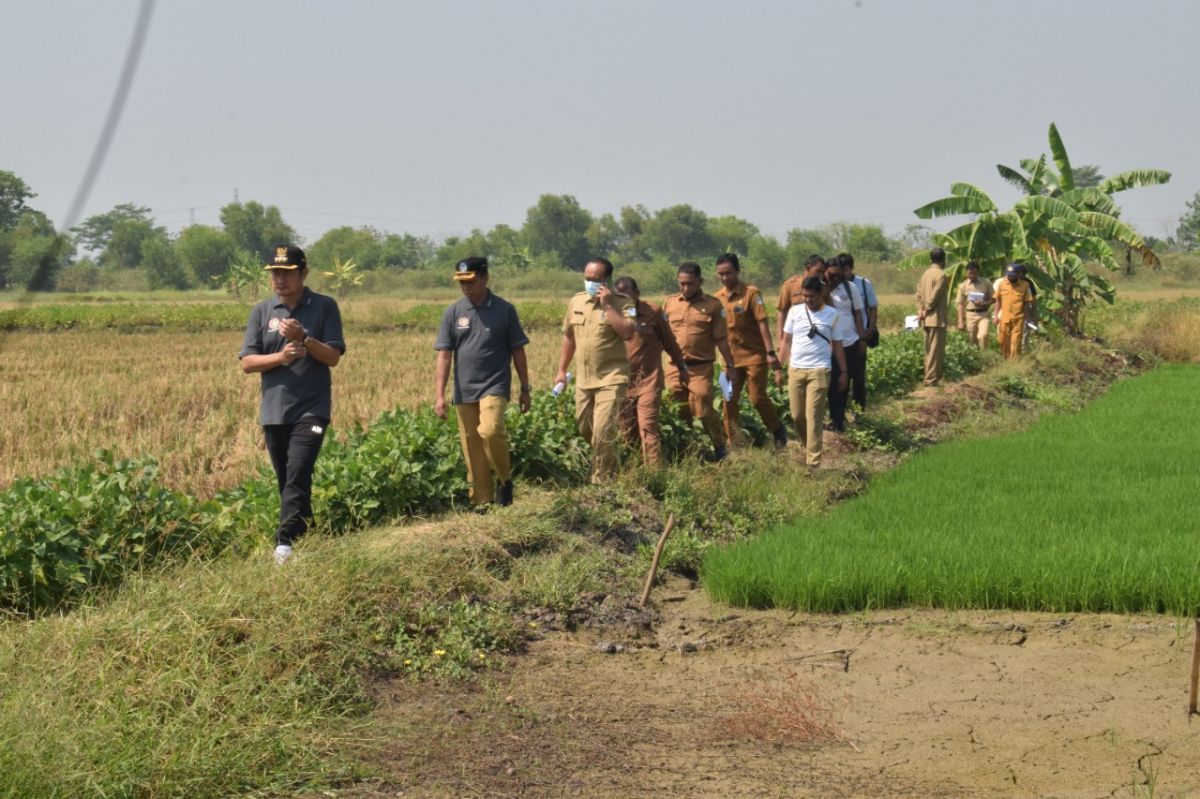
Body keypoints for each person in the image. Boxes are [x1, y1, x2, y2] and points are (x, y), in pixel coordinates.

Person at [239, 244, 346, 565]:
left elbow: (334, 357)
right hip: (274, 412)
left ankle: (283, 545)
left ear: (303, 273)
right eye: (274, 273)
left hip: (312, 409)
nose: (279, 279)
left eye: (286, 273)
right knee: (287, 480)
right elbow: (247, 362)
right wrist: (281, 356)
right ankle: (308, 536)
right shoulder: (262, 312)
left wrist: (304, 339)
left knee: (298, 472)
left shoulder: (325, 307)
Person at [433, 257, 531, 508]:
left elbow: (518, 350)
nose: (466, 287)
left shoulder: (504, 309)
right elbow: (444, 355)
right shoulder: (454, 312)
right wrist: (440, 395)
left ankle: (504, 480)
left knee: (490, 430)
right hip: (464, 389)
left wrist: (525, 388)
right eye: (461, 283)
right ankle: (481, 501)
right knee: (472, 445)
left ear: (485, 278)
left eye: (471, 281)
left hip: (495, 385)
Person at [554, 257, 636, 481]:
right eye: (587, 278)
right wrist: (562, 370)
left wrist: (608, 306)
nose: (590, 283)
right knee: (585, 428)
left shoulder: (623, 302)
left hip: (611, 376)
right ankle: (613, 463)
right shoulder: (576, 302)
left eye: (596, 279)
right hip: (584, 378)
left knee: (602, 430)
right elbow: (569, 336)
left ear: (606, 280)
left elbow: (628, 332)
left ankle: (601, 480)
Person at [663, 261, 737, 461]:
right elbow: (660, 335)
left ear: (700, 281)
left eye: (690, 283)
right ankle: (686, 449)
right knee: (678, 410)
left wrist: (730, 365)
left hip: (700, 367)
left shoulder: (713, 305)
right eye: (682, 284)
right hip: (674, 367)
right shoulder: (669, 303)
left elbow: (721, 339)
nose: (686, 288)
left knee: (703, 409)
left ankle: (719, 445)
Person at [714, 253, 787, 447]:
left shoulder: (751, 293)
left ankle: (777, 430)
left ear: (737, 271)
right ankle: (735, 442)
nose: (724, 277)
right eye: (720, 274)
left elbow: (762, 323)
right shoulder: (716, 299)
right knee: (727, 399)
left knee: (757, 397)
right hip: (728, 360)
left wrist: (770, 353)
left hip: (754, 356)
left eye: (728, 273)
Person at [614, 276, 688, 467]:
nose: (625, 299)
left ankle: (655, 474)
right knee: (627, 430)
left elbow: (669, 342)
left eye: (628, 294)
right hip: (623, 382)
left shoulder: (653, 312)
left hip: (649, 381)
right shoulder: (612, 315)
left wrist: (681, 367)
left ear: (637, 293)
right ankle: (634, 468)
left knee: (648, 428)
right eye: (620, 296)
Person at [777, 276, 848, 468]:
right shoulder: (794, 311)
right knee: (797, 416)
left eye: (812, 296)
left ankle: (813, 463)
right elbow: (786, 341)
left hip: (820, 370)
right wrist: (778, 367)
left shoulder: (832, 314)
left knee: (814, 416)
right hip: (796, 369)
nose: (808, 300)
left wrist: (843, 371)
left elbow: (838, 345)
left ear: (821, 294)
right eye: (804, 296)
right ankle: (808, 446)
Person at [824, 259, 865, 431]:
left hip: (850, 342)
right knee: (832, 384)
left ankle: (839, 420)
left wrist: (862, 339)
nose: (835, 279)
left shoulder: (850, 288)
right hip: (828, 346)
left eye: (838, 276)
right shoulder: (820, 289)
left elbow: (857, 314)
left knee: (844, 382)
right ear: (825, 273)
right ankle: (836, 419)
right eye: (831, 275)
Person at [839, 253, 877, 409]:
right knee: (842, 374)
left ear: (852, 268)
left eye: (846, 270)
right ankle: (842, 411)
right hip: (842, 339)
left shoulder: (863, 283)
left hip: (860, 337)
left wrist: (871, 328)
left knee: (859, 377)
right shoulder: (835, 286)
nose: (844, 274)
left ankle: (859, 411)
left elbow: (873, 307)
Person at [915, 247, 949, 387]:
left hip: (926, 318)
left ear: (930, 259)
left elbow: (917, 295)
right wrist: (926, 309)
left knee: (929, 349)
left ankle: (931, 377)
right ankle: (930, 380)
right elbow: (934, 296)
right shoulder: (941, 275)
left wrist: (920, 310)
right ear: (943, 260)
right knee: (935, 350)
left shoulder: (925, 274)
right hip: (936, 318)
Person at [776, 255, 827, 342]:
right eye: (818, 271)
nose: (821, 275)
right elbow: (782, 313)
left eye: (822, 272)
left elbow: (830, 310)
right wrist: (781, 341)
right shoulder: (790, 285)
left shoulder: (823, 288)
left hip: (817, 338)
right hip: (794, 338)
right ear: (808, 268)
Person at [994, 262, 1035, 359]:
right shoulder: (1001, 284)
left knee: (1015, 342)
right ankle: (1006, 360)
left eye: (1012, 275)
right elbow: (998, 301)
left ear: (1017, 274)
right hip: (1004, 318)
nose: (1010, 277)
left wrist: (1027, 318)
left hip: (1018, 319)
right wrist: (995, 316)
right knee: (1002, 341)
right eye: (1008, 274)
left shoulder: (1025, 286)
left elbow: (1026, 303)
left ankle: (1015, 363)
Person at [955, 260, 994, 349]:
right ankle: (977, 360)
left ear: (978, 272)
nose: (972, 275)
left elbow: (994, 299)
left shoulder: (986, 283)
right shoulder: (963, 286)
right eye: (970, 273)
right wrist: (960, 322)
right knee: (972, 341)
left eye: (974, 273)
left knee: (983, 335)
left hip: (983, 314)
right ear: (966, 273)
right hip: (970, 315)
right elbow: (960, 305)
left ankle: (985, 356)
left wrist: (984, 303)